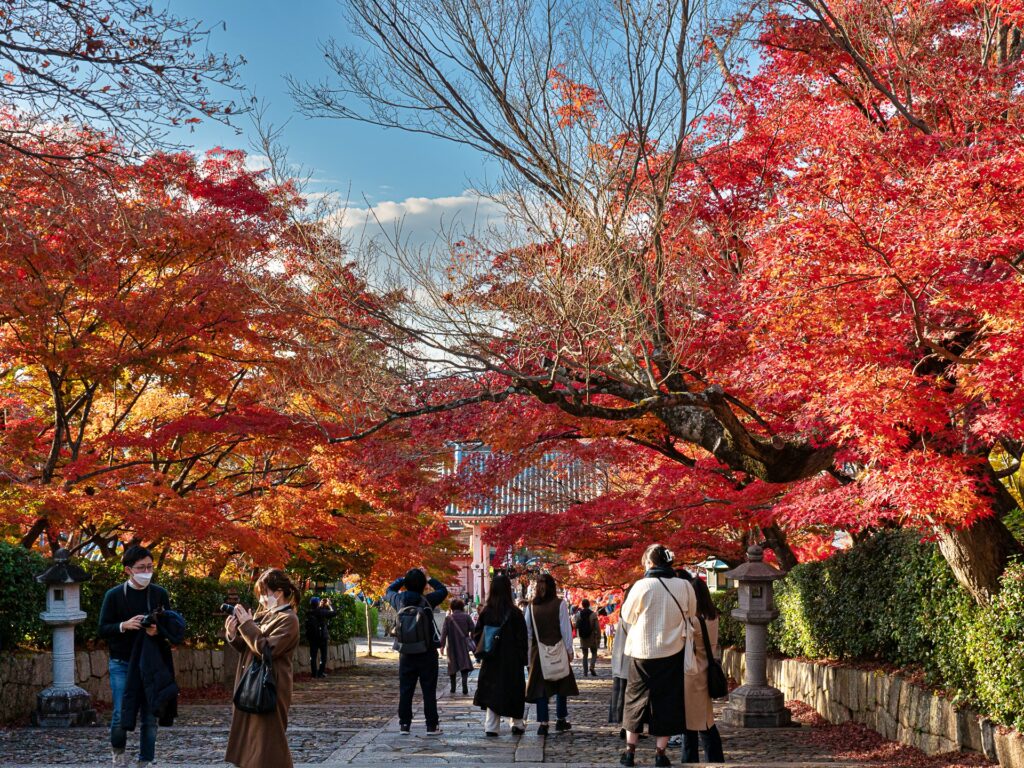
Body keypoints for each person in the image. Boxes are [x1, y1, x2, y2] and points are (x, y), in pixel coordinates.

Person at [619, 544, 697, 768]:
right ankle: (660, 754)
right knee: (668, 701)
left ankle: (629, 752)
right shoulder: (684, 585)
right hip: (672, 651)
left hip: (642, 652)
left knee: (635, 699)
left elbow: (627, 615)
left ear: (650, 562)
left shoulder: (641, 586)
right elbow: (691, 612)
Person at [98, 544, 173, 767]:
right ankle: (118, 753)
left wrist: (158, 630)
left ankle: (146, 760)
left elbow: (172, 627)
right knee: (121, 712)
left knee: (151, 715)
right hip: (122, 661)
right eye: (141, 567)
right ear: (128, 570)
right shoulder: (113, 595)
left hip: (151, 663)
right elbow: (102, 628)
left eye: (150, 567)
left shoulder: (160, 593)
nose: (146, 572)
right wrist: (124, 625)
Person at [224, 568, 301, 768]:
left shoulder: (289, 619)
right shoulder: (266, 614)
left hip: (270, 685)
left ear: (279, 592)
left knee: (269, 741)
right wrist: (233, 634)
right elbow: (249, 647)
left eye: (265, 593)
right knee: (251, 740)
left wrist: (248, 624)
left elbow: (266, 649)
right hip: (251, 683)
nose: (262, 599)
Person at [385, 567, 448, 734]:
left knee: (406, 689)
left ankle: (404, 725)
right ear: (423, 585)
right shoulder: (427, 600)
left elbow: (388, 590)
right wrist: (429, 578)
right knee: (429, 690)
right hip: (427, 652)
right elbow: (443, 590)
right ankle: (431, 726)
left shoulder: (398, 600)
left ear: (406, 585)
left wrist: (402, 580)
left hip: (405, 652)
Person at [472, 573, 528, 736]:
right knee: (514, 690)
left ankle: (491, 725)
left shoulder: (486, 612)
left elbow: (477, 635)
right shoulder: (516, 613)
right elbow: (522, 638)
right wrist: (522, 657)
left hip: (491, 658)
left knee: (492, 691)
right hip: (512, 660)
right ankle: (517, 723)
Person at [525, 573, 579, 735]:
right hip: (558, 648)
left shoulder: (531, 607)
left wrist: (529, 657)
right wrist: (569, 650)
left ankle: (543, 722)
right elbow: (565, 629)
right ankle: (561, 719)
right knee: (561, 683)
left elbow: (528, 632)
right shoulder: (559, 604)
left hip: (538, 651)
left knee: (541, 688)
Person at [682, 579, 725, 763]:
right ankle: (715, 759)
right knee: (706, 720)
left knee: (692, 724)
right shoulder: (713, 616)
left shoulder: (693, 621)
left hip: (692, 674)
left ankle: (690, 760)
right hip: (707, 670)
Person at [439, 598, 475, 695]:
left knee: (452, 665)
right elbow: (473, 629)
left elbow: (443, 633)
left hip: (451, 645)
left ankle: (453, 687)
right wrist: (471, 638)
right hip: (463, 644)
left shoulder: (448, 618)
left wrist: (441, 646)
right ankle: (464, 684)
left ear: (452, 607)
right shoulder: (466, 617)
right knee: (464, 664)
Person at [305, 596, 335, 678]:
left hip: (312, 638)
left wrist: (321, 605)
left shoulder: (309, 612)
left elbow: (316, 611)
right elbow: (333, 613)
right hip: (322, 637)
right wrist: (330, 605)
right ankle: (320, 673)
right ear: (318, 603)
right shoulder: (322, 612)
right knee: (323, 656)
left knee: (313, 656)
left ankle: (314, 673)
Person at [575, 598, 600, 676]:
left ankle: (585, 672)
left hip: (583, 637)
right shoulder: (593, 614)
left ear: (582, 605)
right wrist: (598, 637)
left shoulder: (578, 614)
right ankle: (592, 666)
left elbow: (576, 626)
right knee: (594, 652)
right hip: (592, 637)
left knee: (585, 655)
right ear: (589, 605)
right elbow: (597, 627)